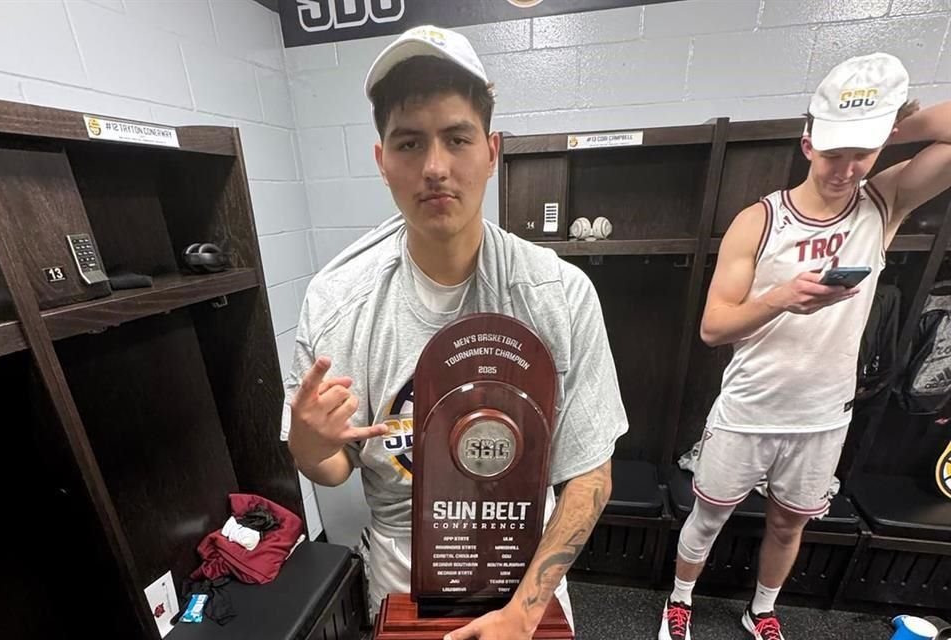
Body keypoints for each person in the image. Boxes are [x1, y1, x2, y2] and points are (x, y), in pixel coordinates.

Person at [280, 25, 629, 640]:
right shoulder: (337, 303)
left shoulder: (558, 293)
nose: (435, 167)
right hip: (403, 568)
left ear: (492, 151)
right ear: (381, 160)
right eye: (409, 143)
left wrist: (521, 615)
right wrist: (308, 444)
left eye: (457, 138)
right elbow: (333, 469)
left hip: (526, 568)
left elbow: (590, 474)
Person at [658, 52, 951, 640]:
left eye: (860, 154)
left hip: (822, 414)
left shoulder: (882, 203)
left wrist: (889, 125)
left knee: (789, 525)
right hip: (750, 407)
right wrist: (782, 299)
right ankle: (680, 599)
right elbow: (714, 328)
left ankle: (761, 610)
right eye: (835, 151)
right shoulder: (760, 220)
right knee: (709, 515)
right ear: (808, 143)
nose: (846, 169)